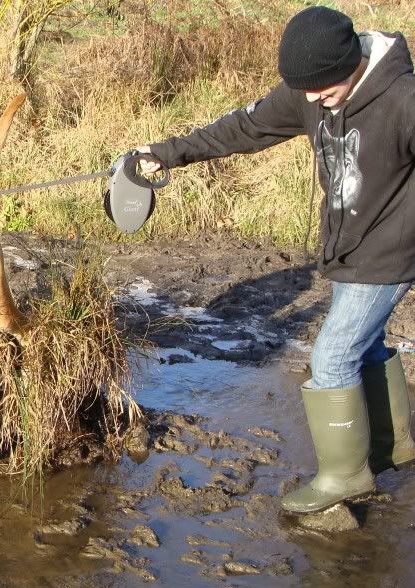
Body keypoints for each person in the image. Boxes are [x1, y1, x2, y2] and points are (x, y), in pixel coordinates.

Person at [131, 6, 415, 513]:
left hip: (393, 252)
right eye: (304, 90)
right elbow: (245, 128)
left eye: (321, 89)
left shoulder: (403, 100)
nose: (310, 100)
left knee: (331, 357)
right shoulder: (314, 88)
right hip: (347, 250)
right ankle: (392, 446)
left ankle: (345, 477)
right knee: (364, 347)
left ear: (351, 63)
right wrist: (167, 152)